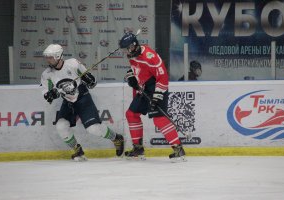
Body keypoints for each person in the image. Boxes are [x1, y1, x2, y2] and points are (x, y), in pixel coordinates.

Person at [40, 44, 124, 161]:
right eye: (47, 57)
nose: (48, 59)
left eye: (50, 57)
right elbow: (46, 95)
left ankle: (117, 138)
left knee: (93, 129)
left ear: (58, 56)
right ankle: (77, 151)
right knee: (60, 126)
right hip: (68, 102)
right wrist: (50, 95)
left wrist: (89, 80)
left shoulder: (73, 64)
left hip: (83, 98)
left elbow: (92, 83)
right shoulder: (47, 74)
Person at [119, 33, 186, 161]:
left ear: (134, 45)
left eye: (128, 48)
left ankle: (178, 149)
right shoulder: (133, 54)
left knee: (159, 119)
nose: (126, 52)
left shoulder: (150, 56)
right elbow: (136, 70)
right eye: (125, 49)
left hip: (157, 86)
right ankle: (138, 148)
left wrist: (157, 97)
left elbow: (163, 77)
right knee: (131, 114)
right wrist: (131, 77)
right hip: (144, 87)